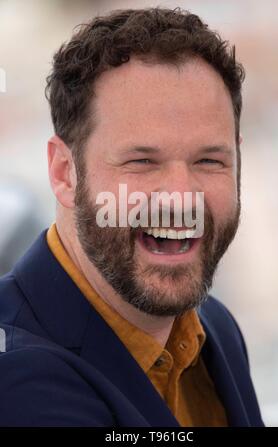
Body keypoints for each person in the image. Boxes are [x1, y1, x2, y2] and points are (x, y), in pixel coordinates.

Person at [0, 7, 264, 427]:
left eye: (210, 161)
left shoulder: (213, 327)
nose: (181, 199)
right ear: (64, 172)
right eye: (142, 160)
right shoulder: (16, 380)